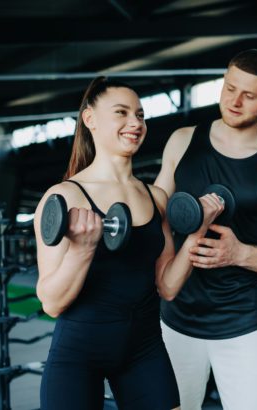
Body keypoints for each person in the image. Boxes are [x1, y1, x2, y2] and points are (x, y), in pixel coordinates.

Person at [33, 76, 223, 410]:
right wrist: (83, 249)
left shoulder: (155, 197)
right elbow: (51, 303)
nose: (134, 123)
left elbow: (168, 286)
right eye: (121, 113)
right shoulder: (64, 197)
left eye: (140, 115)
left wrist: (197, 233)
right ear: (90, 119)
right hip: (79, 355)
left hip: (144, 350)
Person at [155, 49, 257, 410]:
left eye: (249, 95)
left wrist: (238, 253)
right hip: (175, 320)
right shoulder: (182, 141)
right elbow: (157, 211)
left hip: (245, 325)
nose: (234, 102)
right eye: (229, 88)